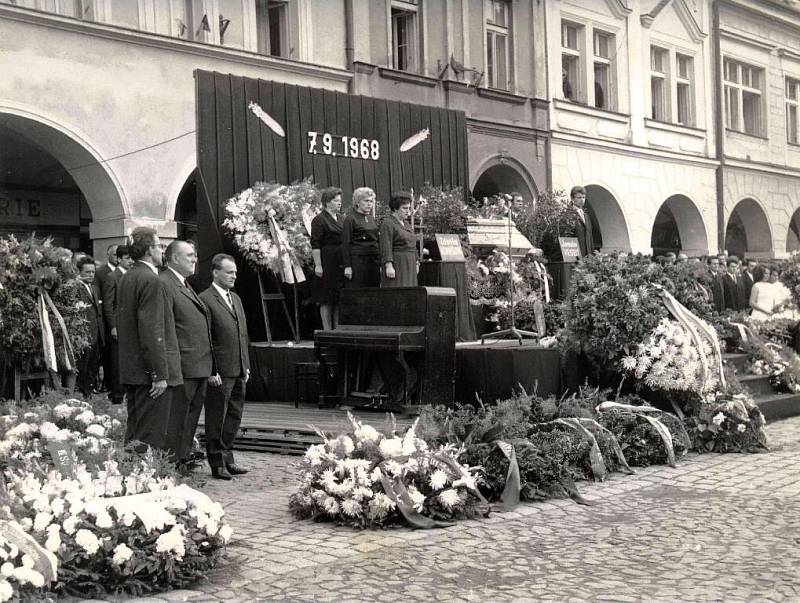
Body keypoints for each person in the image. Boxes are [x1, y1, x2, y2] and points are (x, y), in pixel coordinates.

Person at [117, 226, 182, 454]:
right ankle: (144, 483)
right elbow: (152, 330)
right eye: (159, 246)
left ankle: (131, 480)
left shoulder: (128, 276)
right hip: (149, 375)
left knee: (135, 434)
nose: (161, 251)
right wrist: (159, 374)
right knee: (149, 436)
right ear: (149, 250)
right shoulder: (150, 279)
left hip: (133, 371)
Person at [161, 240, 215, 469]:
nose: (195, 259)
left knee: (189, 419)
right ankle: (173, 463)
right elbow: (166, 328)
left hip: (197, 365)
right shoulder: (165, 283)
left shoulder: (182, 283)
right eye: (190, 255)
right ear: (174, 258)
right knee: (178, 420)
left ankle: (181, 459)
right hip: (183, 366)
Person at [200, 254, 250, 481]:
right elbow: (205, 338)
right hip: (219, 372)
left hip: (238, 368)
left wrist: (246, 365)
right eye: (229, 272)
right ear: (215, 272)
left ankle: (228, 458)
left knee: (234, 416)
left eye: (235, 272)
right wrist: (211, 371)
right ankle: (216, 462)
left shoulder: (237, 299)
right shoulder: (205, 299)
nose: (234, 276)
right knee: (216, 416)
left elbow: (242, 334)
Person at [101, 245, 134, 404]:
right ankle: (117, 394)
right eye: (127, 258)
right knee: (117, 361)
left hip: (132, 326)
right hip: (118, 326)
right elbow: (108, 304)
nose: (130, 261)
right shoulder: (112, 277)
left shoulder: (132, 276)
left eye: (131, 258)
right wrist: (113, 326)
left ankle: (128, 391)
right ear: (119, 259)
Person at [310, 187, 344, 330]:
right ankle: (327, 331)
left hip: (340, 261)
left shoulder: (342, 218)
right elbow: (315, 244)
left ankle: (337, 330)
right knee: (326, 298)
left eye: (340, 201)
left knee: (337, 298)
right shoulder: (319, 220)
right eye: (336, 201)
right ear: (327, 202)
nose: (339, 203)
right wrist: (318, 265)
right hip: (326, 260)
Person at [74, 256, 105, 398]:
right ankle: (82, 393)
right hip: (84, 335)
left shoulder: (95, 288)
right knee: (83, 365)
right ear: (79, 272)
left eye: (93, 272)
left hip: (97, 333)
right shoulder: (76, 288)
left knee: (93, 365)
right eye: (87, 272)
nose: (90, 275)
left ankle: (89, 391)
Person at [342, 187, 380, 288]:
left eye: (371, 201)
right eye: (366, 201)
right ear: (357, 202)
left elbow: (377, 240)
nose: (369, 204)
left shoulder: (371, 218)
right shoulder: (350, 219)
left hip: (373, 261)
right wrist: (347, 266)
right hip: (358, 262)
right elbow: (346, 244)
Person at [380, 191, 419, 287]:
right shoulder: (388, 223)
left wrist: (417, 262)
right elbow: (386, 245)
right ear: (395, 209)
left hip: (410, 263)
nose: (408, 211)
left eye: (409, 208)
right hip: (398, 263)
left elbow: (413, 244)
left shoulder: (406, 224)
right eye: (405, 208)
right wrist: (388, 265)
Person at [94, 244, 119, 393]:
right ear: (108, 255)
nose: (117, 257)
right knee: (109, 357)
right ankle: (109, 385)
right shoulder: (101, 272)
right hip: (107, 320)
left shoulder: (124, 271)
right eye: (114, 254)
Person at [570, 185, 594, 258]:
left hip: (588, 257)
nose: (582, 200)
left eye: (583, 197)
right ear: (572, 199)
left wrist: (592, 255)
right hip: (576, 256)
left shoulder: (587, 216)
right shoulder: (568, 215)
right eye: (579, 197)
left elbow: (590, 237)